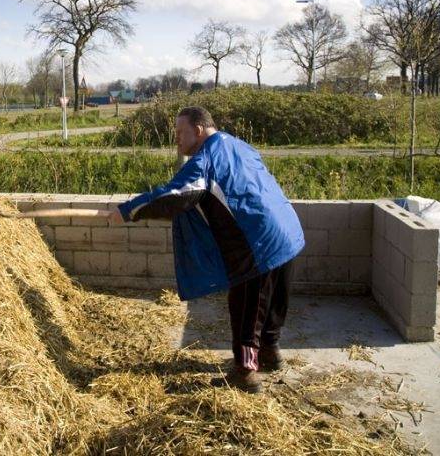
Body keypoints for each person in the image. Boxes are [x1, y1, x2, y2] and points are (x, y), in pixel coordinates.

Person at [107, 106, 304, 393]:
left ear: (198, 130)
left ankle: (245, 373)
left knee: (248, 305)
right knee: (273, 300)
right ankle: (270, 352)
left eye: (179, 132)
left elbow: (176, 196)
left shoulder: (206, 158)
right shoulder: (237, 144)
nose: (176, 139)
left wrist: (127, 211)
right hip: (286, 230)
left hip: (257, 242)